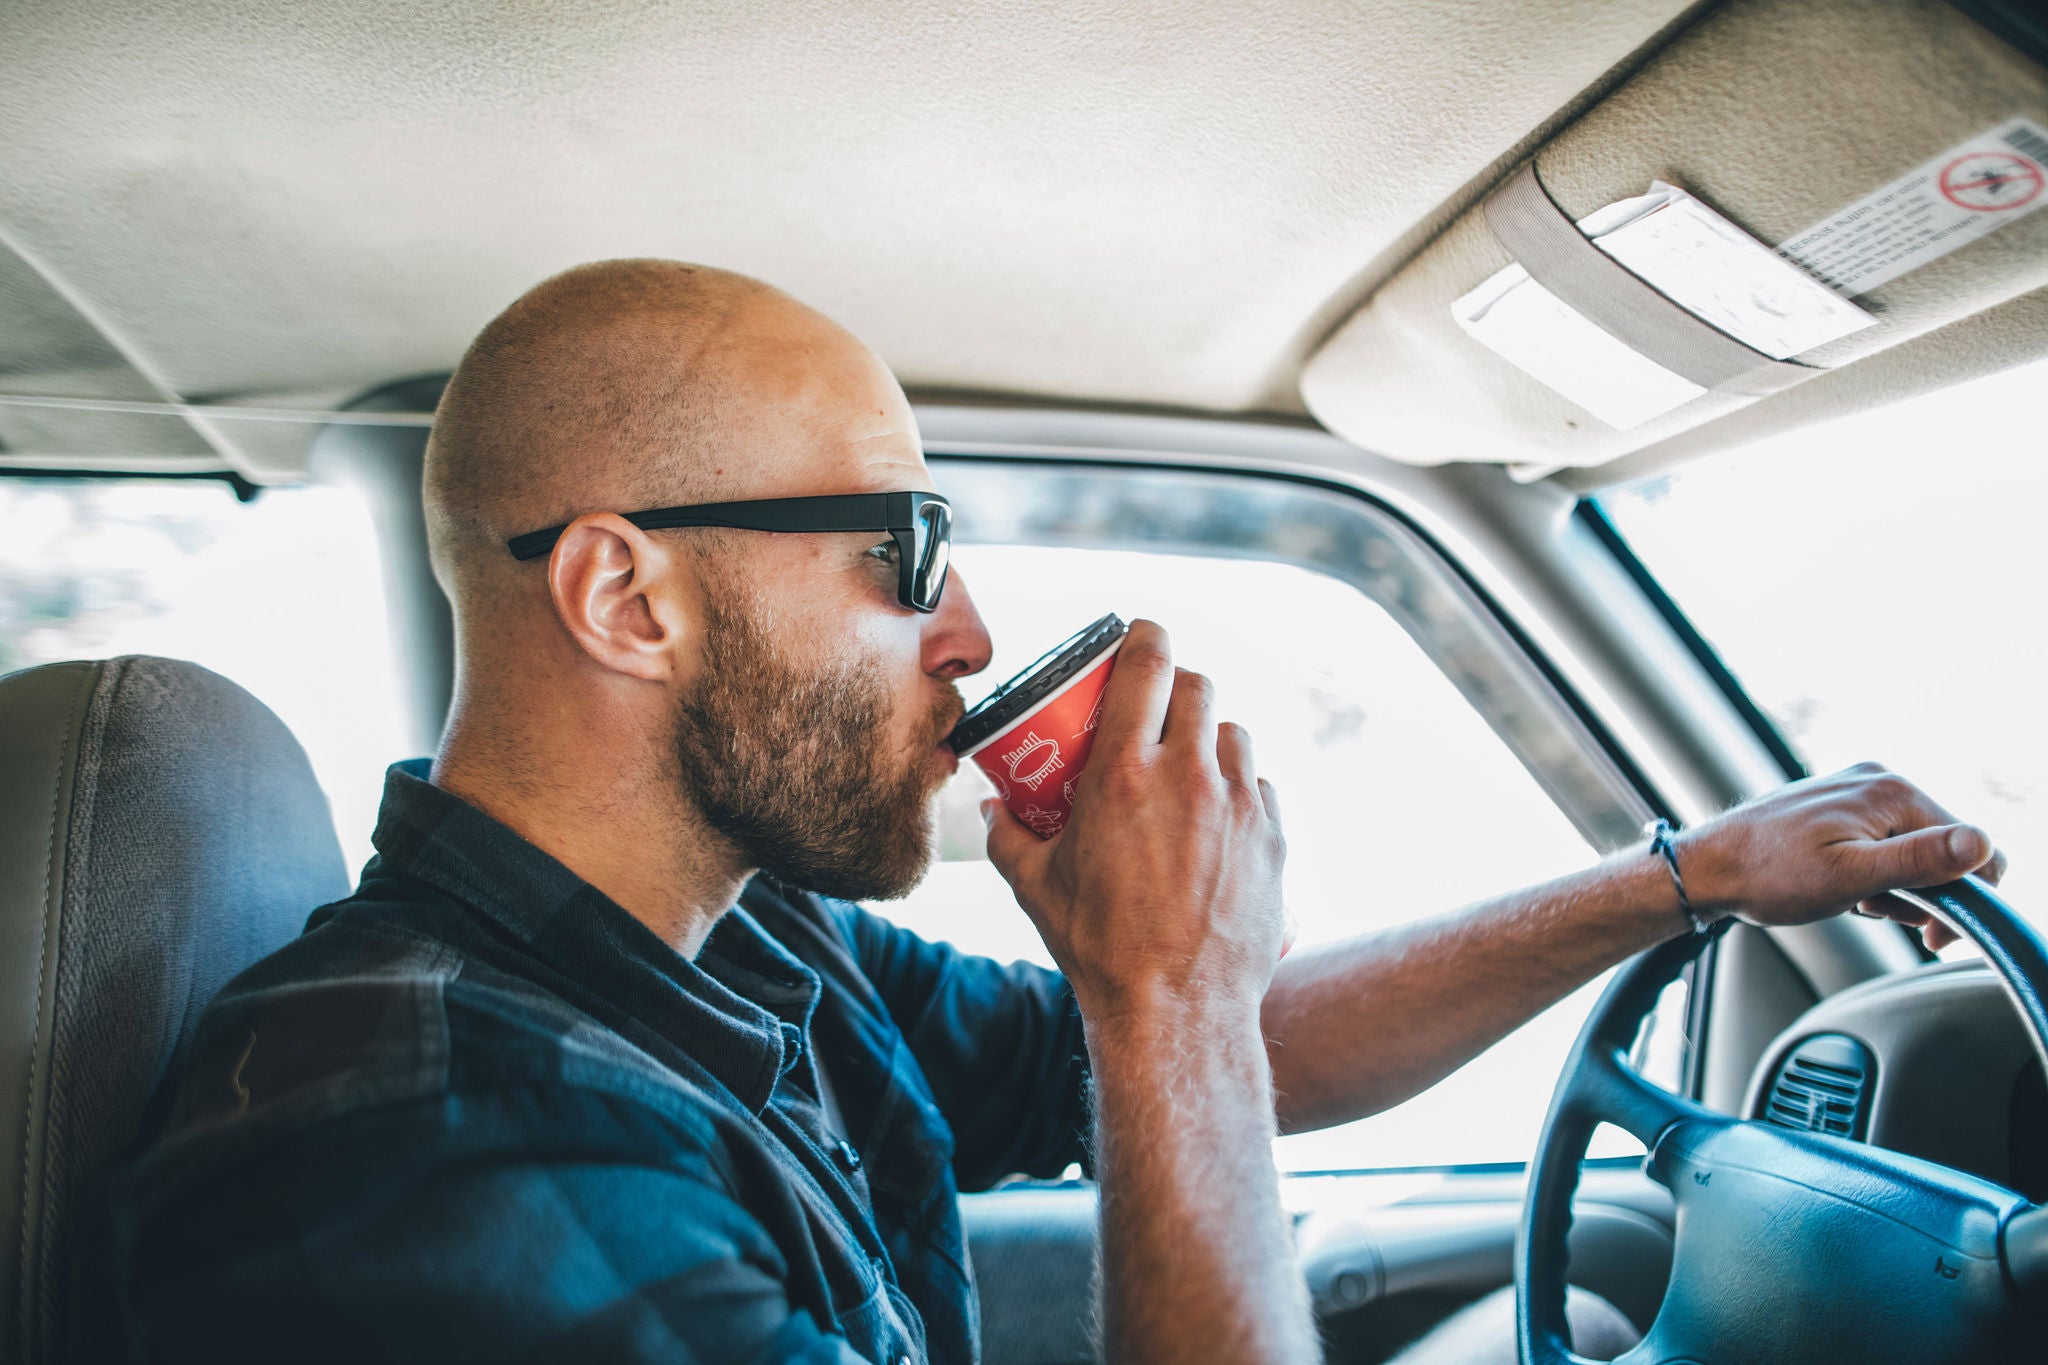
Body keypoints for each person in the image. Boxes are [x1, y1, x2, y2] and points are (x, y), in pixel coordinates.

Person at [103, 259, 2004, 1365]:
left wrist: (1681, 878)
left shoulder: (734, 937)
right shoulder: (435, 1152)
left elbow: (1197, 1059)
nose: (973, 630)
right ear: (624, 596)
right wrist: (1167, 992)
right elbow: (1176, 1042)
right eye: (902, 546)